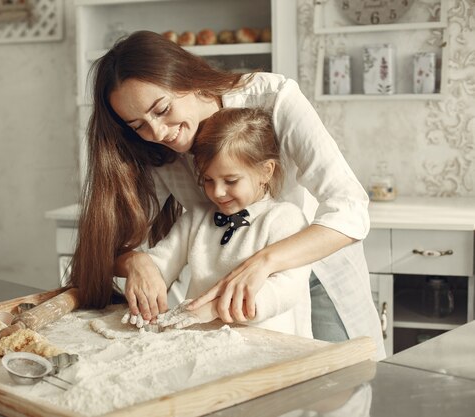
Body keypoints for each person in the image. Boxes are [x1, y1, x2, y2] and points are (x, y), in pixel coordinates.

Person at [69, 30, 385, 359]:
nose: (158, 132)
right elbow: (114, 247)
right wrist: (136, 262)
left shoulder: (273, 99)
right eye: (138, 125)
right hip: (226, 306)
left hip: (318, 269)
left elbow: (350, 208)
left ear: (186, 78)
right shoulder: (156, 149)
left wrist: (264, 262)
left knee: (345, 388)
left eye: (162, 109)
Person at [138, 107, 312, 337]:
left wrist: (214, 309)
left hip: (266, 344)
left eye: (230, 180)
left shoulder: (284, 219)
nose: (217, 192)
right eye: (208, 180)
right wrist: (145, 289)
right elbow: (162, 263)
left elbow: (285, 289)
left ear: (266, 172)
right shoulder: (197, 218)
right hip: (203, 341)